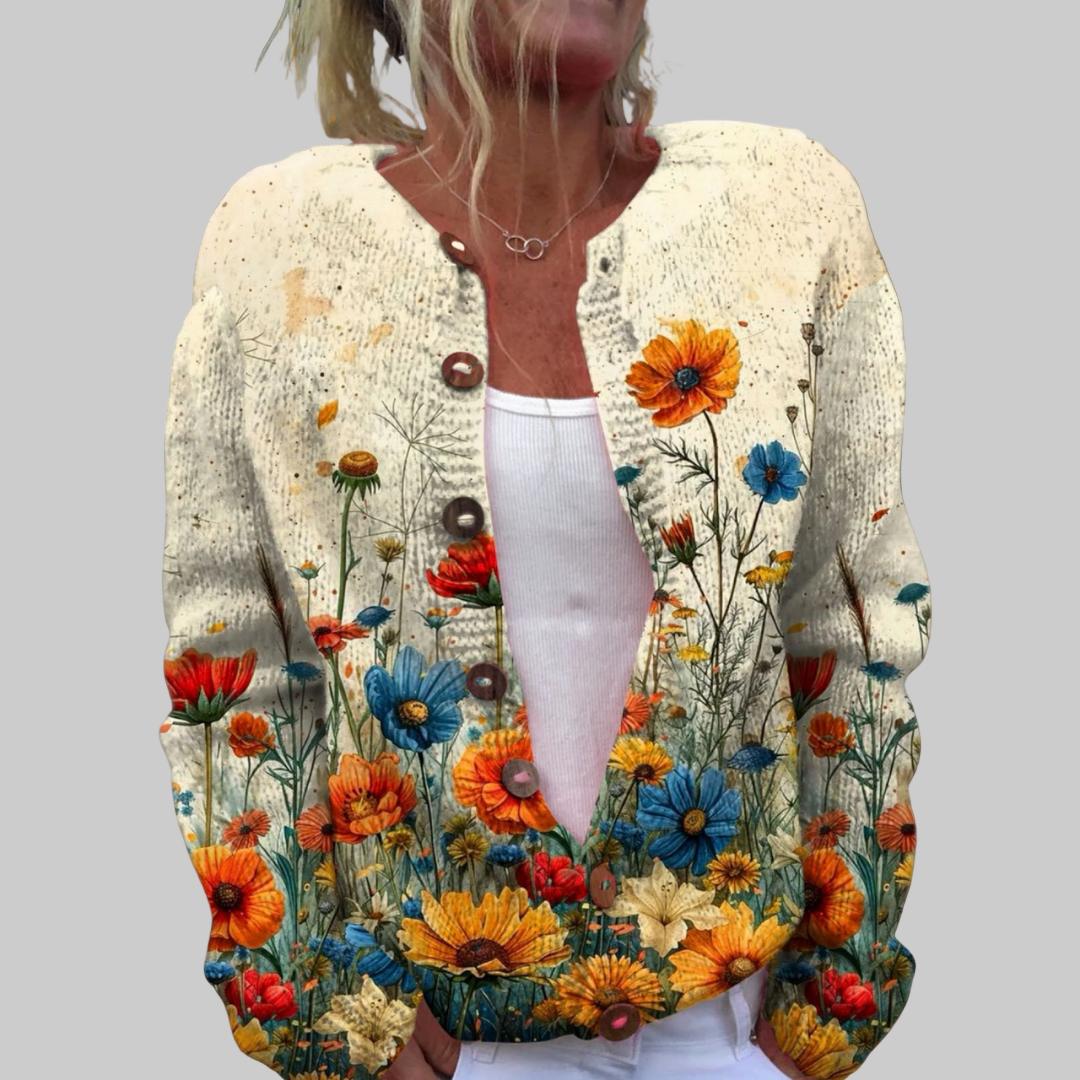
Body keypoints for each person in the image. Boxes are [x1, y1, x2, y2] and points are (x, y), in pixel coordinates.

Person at [160, 3, 930, 1079]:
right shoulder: (279, 241)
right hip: (431, 1039)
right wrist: (334, 1023)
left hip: (732, 1032)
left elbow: (852, 623)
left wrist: (821, 1016)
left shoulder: (782, 211)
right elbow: (233, 659)